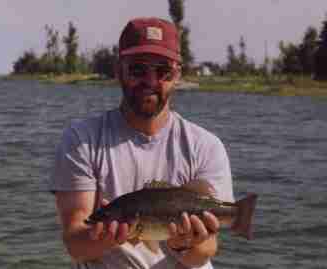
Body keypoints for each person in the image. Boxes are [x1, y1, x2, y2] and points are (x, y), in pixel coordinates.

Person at [48, 17, 234, 269]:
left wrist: (186, 243)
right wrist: (113, 236)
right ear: (118, 70)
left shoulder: (206, 146)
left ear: (177, 74)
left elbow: (207, 249)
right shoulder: (82, 140)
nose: (150, 80)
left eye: (163, 71)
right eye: (137, 69)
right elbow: (75, 244)